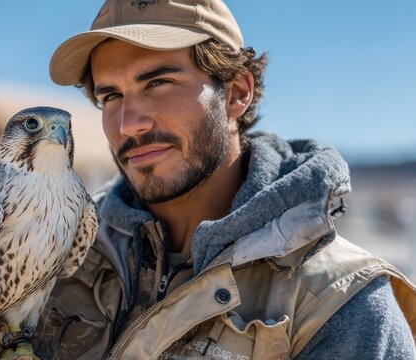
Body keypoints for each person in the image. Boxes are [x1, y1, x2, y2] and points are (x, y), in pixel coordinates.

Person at [27, 1, 416, 359]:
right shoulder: (59, 251)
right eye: (110, 96)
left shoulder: (336, 301)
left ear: (236, 93)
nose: (128, 124)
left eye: (158, 83)